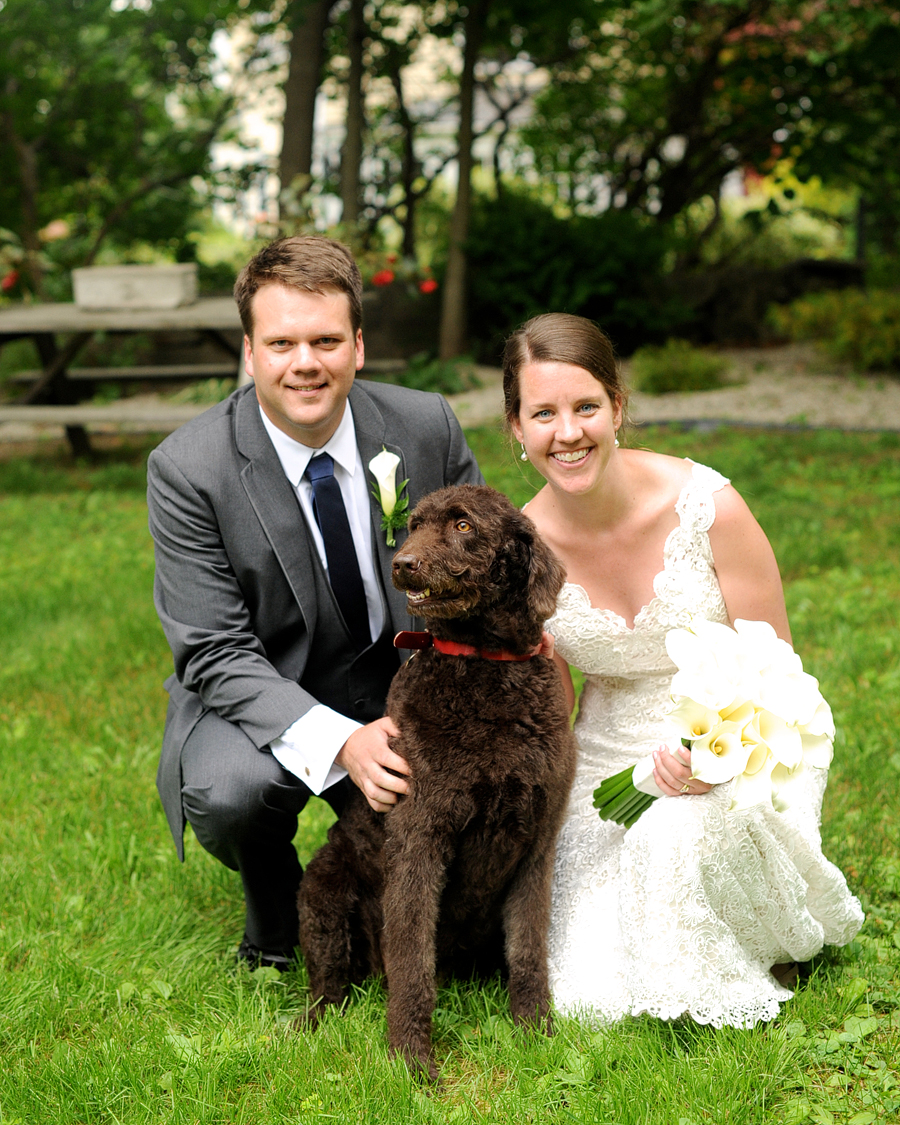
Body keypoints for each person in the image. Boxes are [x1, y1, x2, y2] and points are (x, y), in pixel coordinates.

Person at [503, 312, 863, 1028]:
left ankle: (763, 927)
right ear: (516, 428)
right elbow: (555, 700)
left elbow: (778, 669)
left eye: (585, 407)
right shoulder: (522, 551)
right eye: (543, 413)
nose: (567, 432)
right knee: (579, 976)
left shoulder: (707, 507)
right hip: (609, 748)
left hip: (752, 732)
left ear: (618, 408)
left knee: (674, 841)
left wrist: (718, 753)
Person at [147, 236, 482, 970]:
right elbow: (211, 650)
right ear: (249, 351)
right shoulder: (189, 468)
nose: (306, 362)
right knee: (235, 792)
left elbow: (477, 579)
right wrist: (339, 740)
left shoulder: (425, 427)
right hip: (267, 689)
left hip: (401, 683)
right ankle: (273, 917)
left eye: (327, 339)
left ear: (358, 346)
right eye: (282, 342)